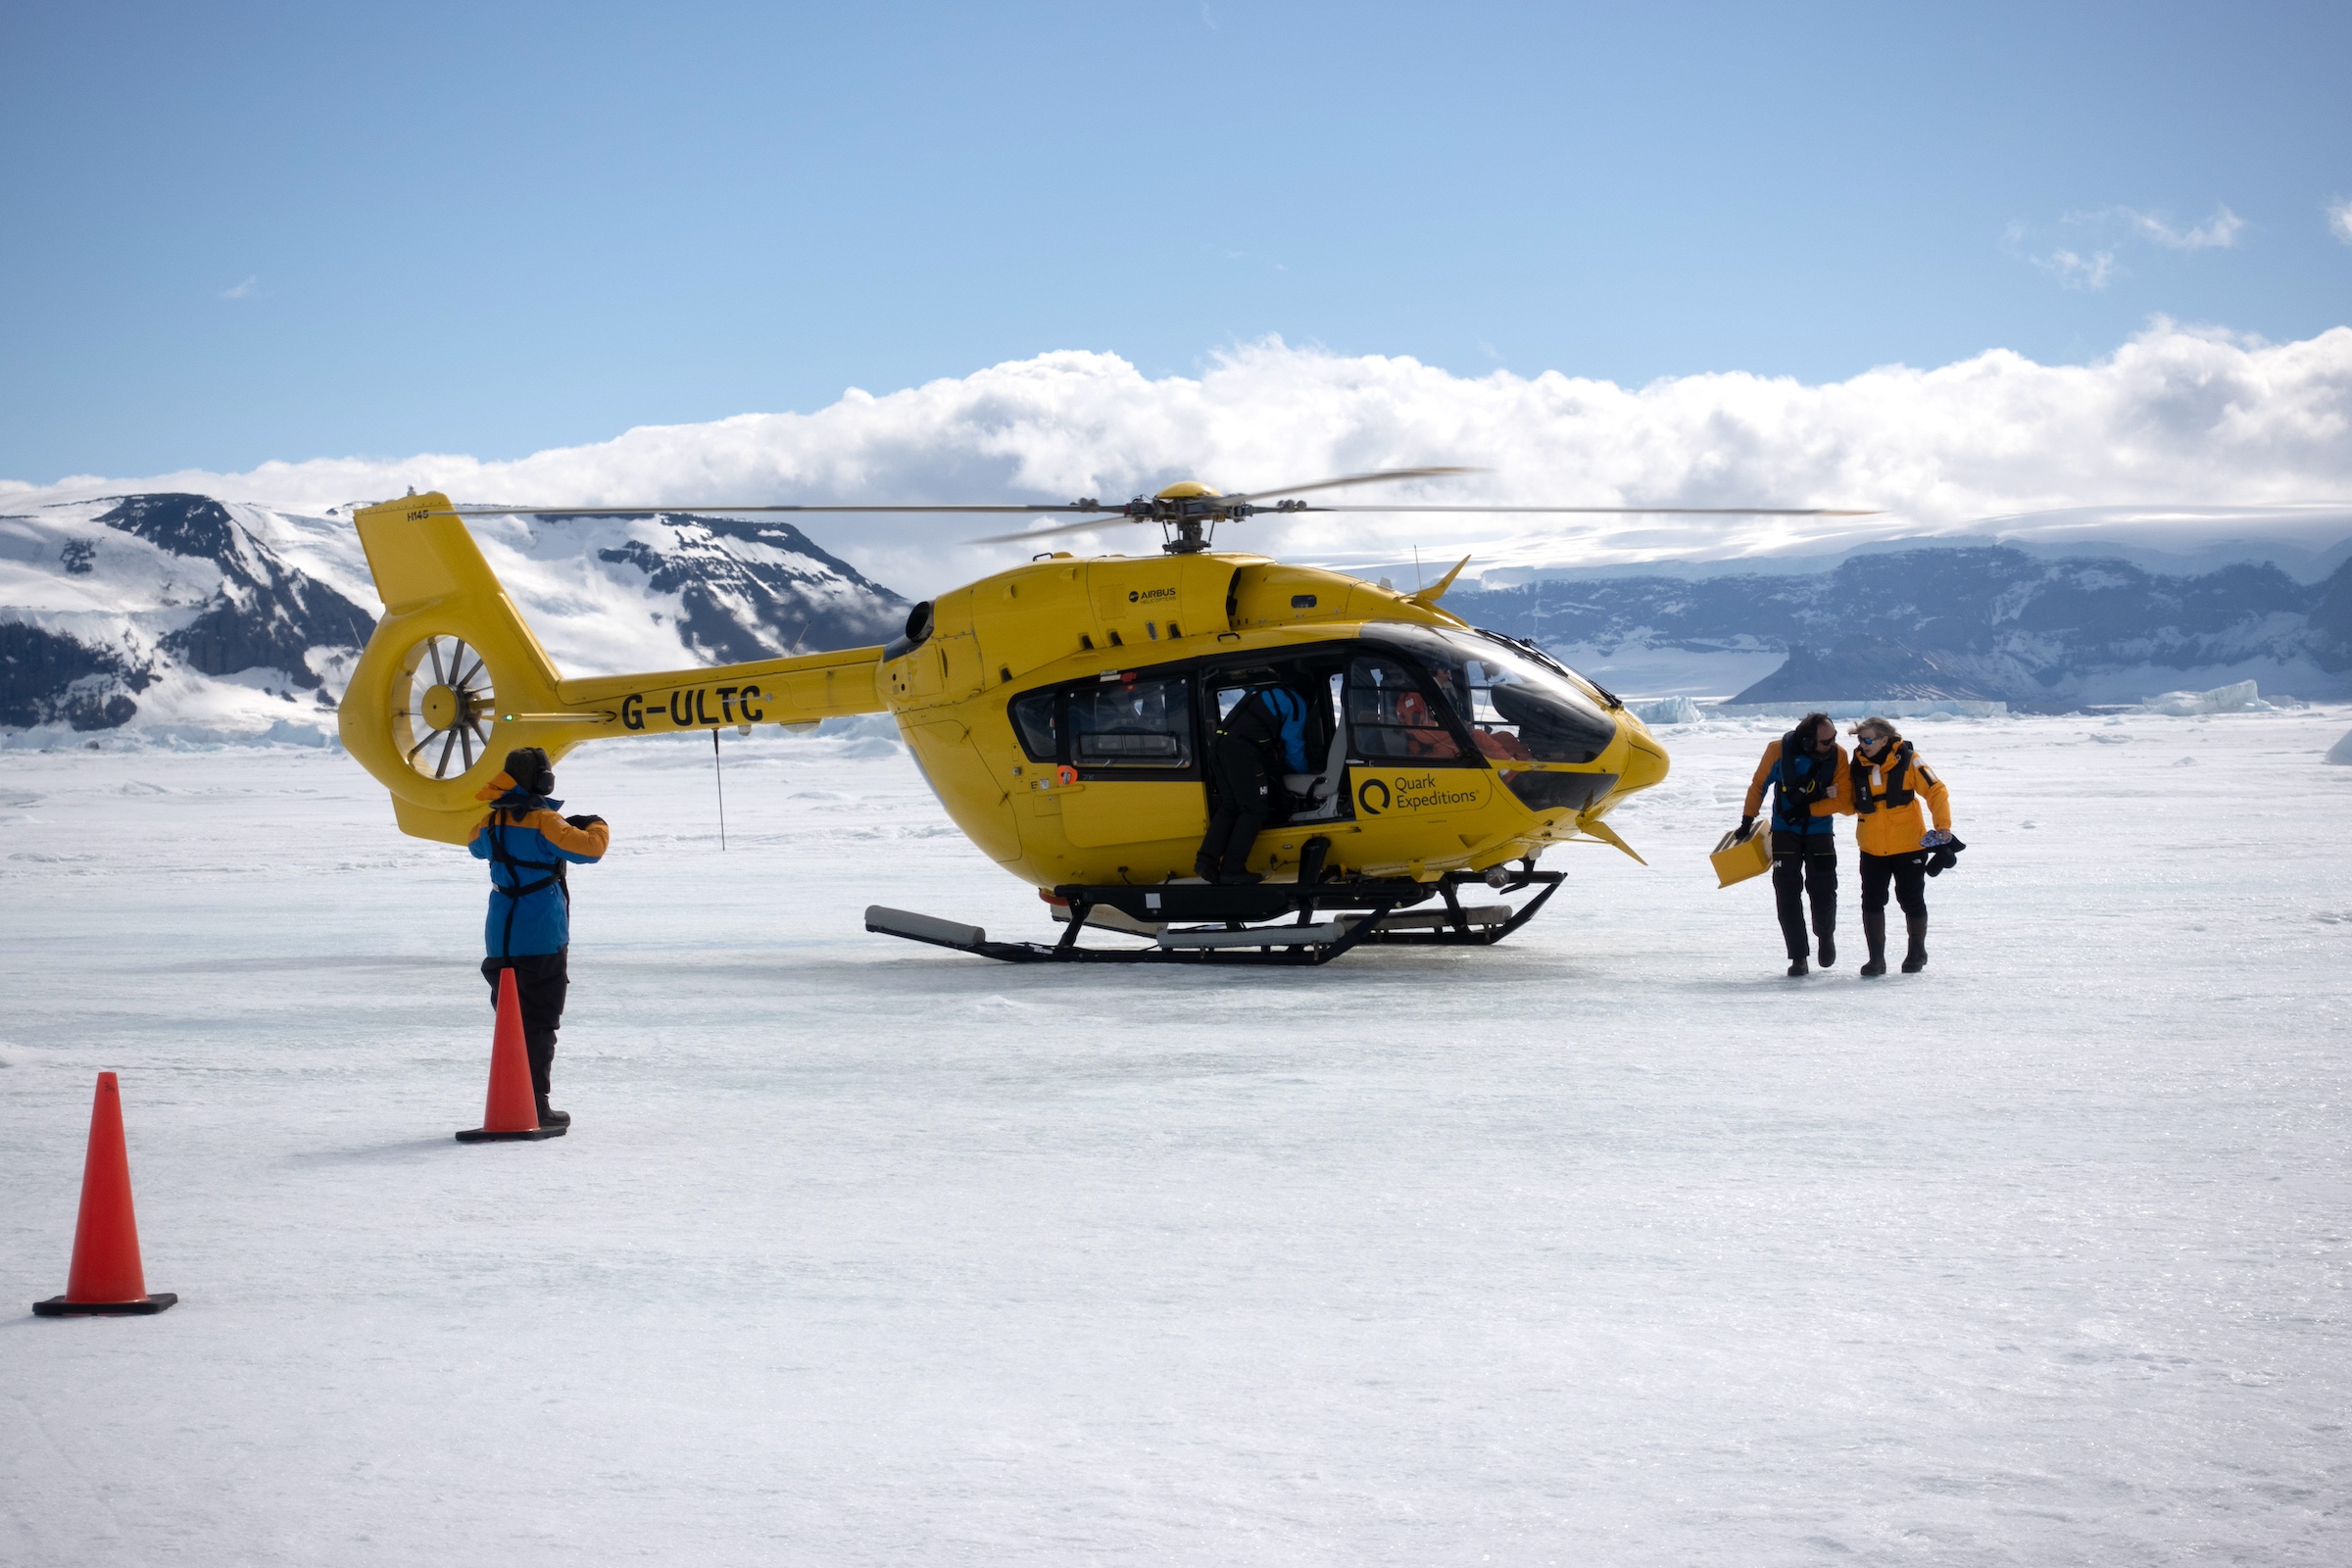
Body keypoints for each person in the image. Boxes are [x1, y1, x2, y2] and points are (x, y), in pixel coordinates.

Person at [470, 746, 610, 1127]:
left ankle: (514, 1095)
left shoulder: (490, 822)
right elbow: (591, 850)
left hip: (500, 940)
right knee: (540, 1022)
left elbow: (473, 845)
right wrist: (596, 822)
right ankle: (535, 1104)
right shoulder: (545, 823)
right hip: (541, 939)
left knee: (510, 1024)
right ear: (543, 782)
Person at [1843, 716, 1957, 976]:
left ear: (1885, 739)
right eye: (1860, 739)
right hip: (1871, 848)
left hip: (1908, 846)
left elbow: (1936, 790)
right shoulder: (1858, 766)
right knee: (1871, 902)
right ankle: (1876, 960)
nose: (1863, 744)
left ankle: (1917, 951)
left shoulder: (1908, 760)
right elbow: (1851, 804)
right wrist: (1832, 798)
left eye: (1868, 739)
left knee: (1911, 900)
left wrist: (1943, 826)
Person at [1740, 711, 1846, 976]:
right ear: (1808, 741)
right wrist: (1746, 820)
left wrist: (1810, 809)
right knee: (1787, 893)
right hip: (1785, 832)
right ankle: (1798, 956)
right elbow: (1758, 786)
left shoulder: (1839, 756)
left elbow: (1844, 800)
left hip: (1820, 831)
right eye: (1825, 741)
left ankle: (1825, 936)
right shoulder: (1777, 751)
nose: (1831, 744)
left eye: (1834, 738)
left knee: (1823, 889)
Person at [1196, 676, 1310, 884]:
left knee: (1231, 806)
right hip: (1242, 751)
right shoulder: (1297, 703)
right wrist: (1303, 776)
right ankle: (1233, 870)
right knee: (1255, 809)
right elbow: (1294, 747)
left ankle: (1206, 861)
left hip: (1220, 744)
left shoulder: (1264, 689)